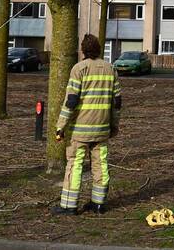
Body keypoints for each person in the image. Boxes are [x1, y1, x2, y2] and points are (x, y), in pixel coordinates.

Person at [53, 34, 122, 215]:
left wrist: (60, 126)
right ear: (99, 49)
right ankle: (99, 204)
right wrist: (114, 125)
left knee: (75, 165)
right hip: (102, 130)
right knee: (101, 165)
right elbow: (117, 102)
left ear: (83, 50)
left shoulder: (79, 69)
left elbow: (71, 101)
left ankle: (69, 206)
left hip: (80, 131)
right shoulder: (110, 69)